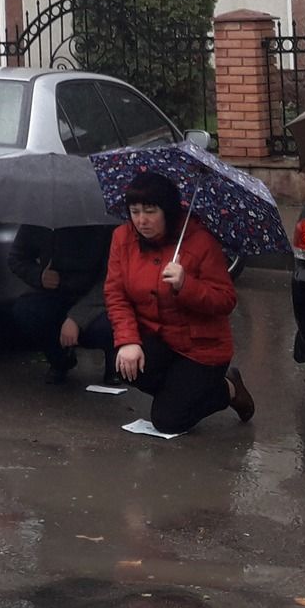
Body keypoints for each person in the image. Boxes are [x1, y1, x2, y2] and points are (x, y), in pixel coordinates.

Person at [104, 172, 253, 436]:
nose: (141, 220)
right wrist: (128, 341)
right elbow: (116, 294)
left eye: (150, 211)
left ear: (168, 210)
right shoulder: (122, 238)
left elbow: (225, 300)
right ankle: (181, 393)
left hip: (200, 349)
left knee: (167, 420)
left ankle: (228, 389)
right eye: (135, 211)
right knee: (126, 364)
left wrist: (186, 286)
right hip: (158, 338)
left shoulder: (200, 241)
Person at [7, 218, 112, 384]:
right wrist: (39, 276)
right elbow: (16, 258)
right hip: (56, 293)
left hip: (97, 299)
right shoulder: (40, 219)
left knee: (109, 325)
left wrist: (76, 318)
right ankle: (60, 360)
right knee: (27, 310)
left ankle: (115, 363)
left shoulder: (106, 224)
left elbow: (111, 279)